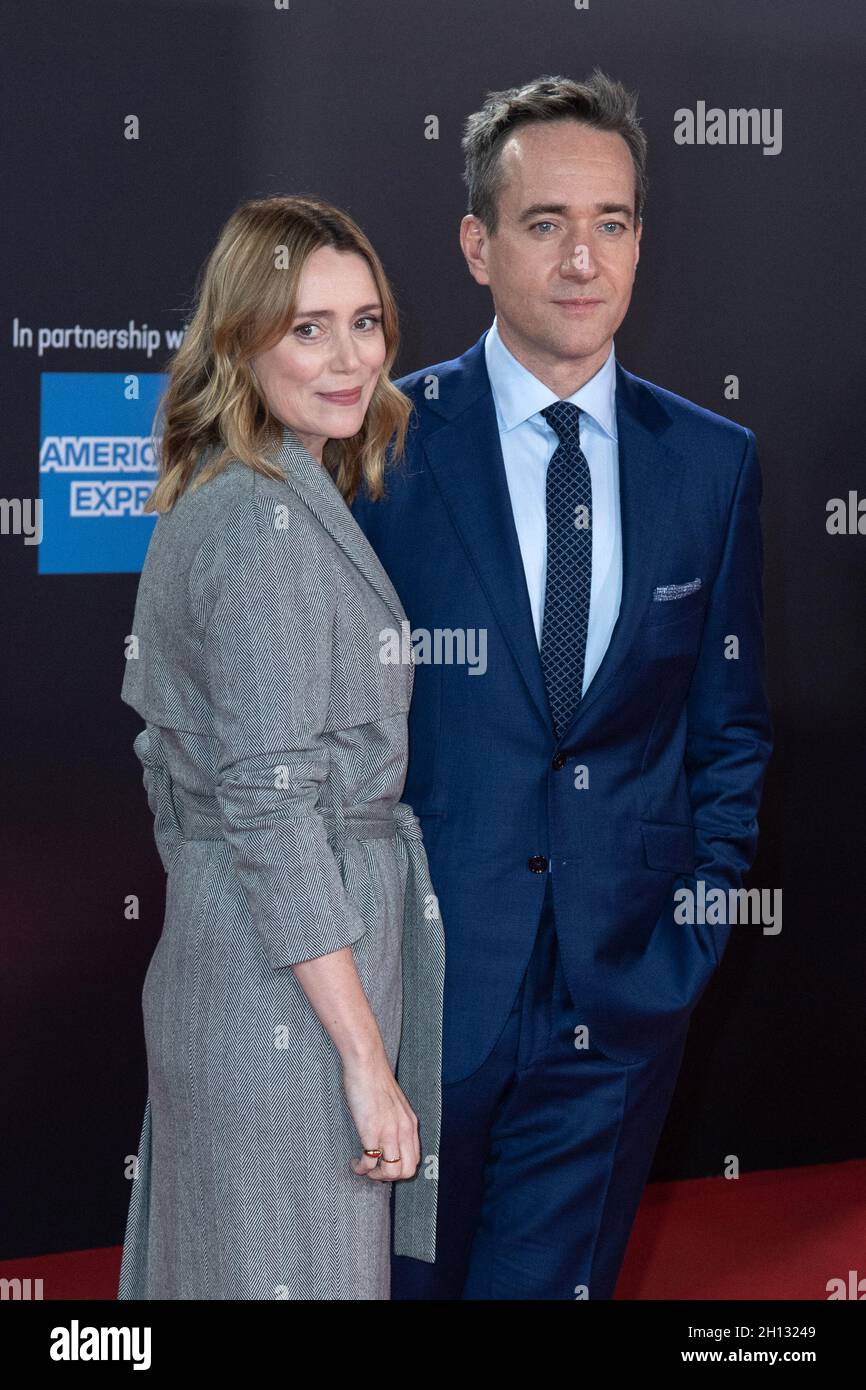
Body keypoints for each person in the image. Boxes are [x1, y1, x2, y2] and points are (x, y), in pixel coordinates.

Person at [351, 71, 773, 1299]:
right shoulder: (373, 441)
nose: (583, 259)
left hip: (616, 1003)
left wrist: (679, 949)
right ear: (477, 246)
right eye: (545, 224)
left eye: (613, 222)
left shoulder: (712, 461)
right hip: (415, 1011)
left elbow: (726, 729)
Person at [117, 195, 445, 1300]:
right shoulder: (261, 523)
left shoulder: (255, 493)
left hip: (256, 964)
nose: (349, 357)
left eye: (365, 321)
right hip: (288, 1000)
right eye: (307, 328)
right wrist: (364, 1061)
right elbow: (269, 806)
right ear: (240, 340)